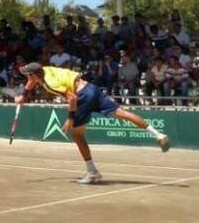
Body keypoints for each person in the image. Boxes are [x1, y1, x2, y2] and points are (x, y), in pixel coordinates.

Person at [14, 62, 170, 185]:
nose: (26, 78)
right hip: (91, 88)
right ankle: (158, 134)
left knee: (77, 135)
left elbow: (72, 98)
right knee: (123, 114)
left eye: (28, 75)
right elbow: (30, 83)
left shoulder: (50, 83)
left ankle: (92, 172)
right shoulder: (44, 70)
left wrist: (70, 117)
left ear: (34, 75)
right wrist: (23, 95)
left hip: (82, 96)